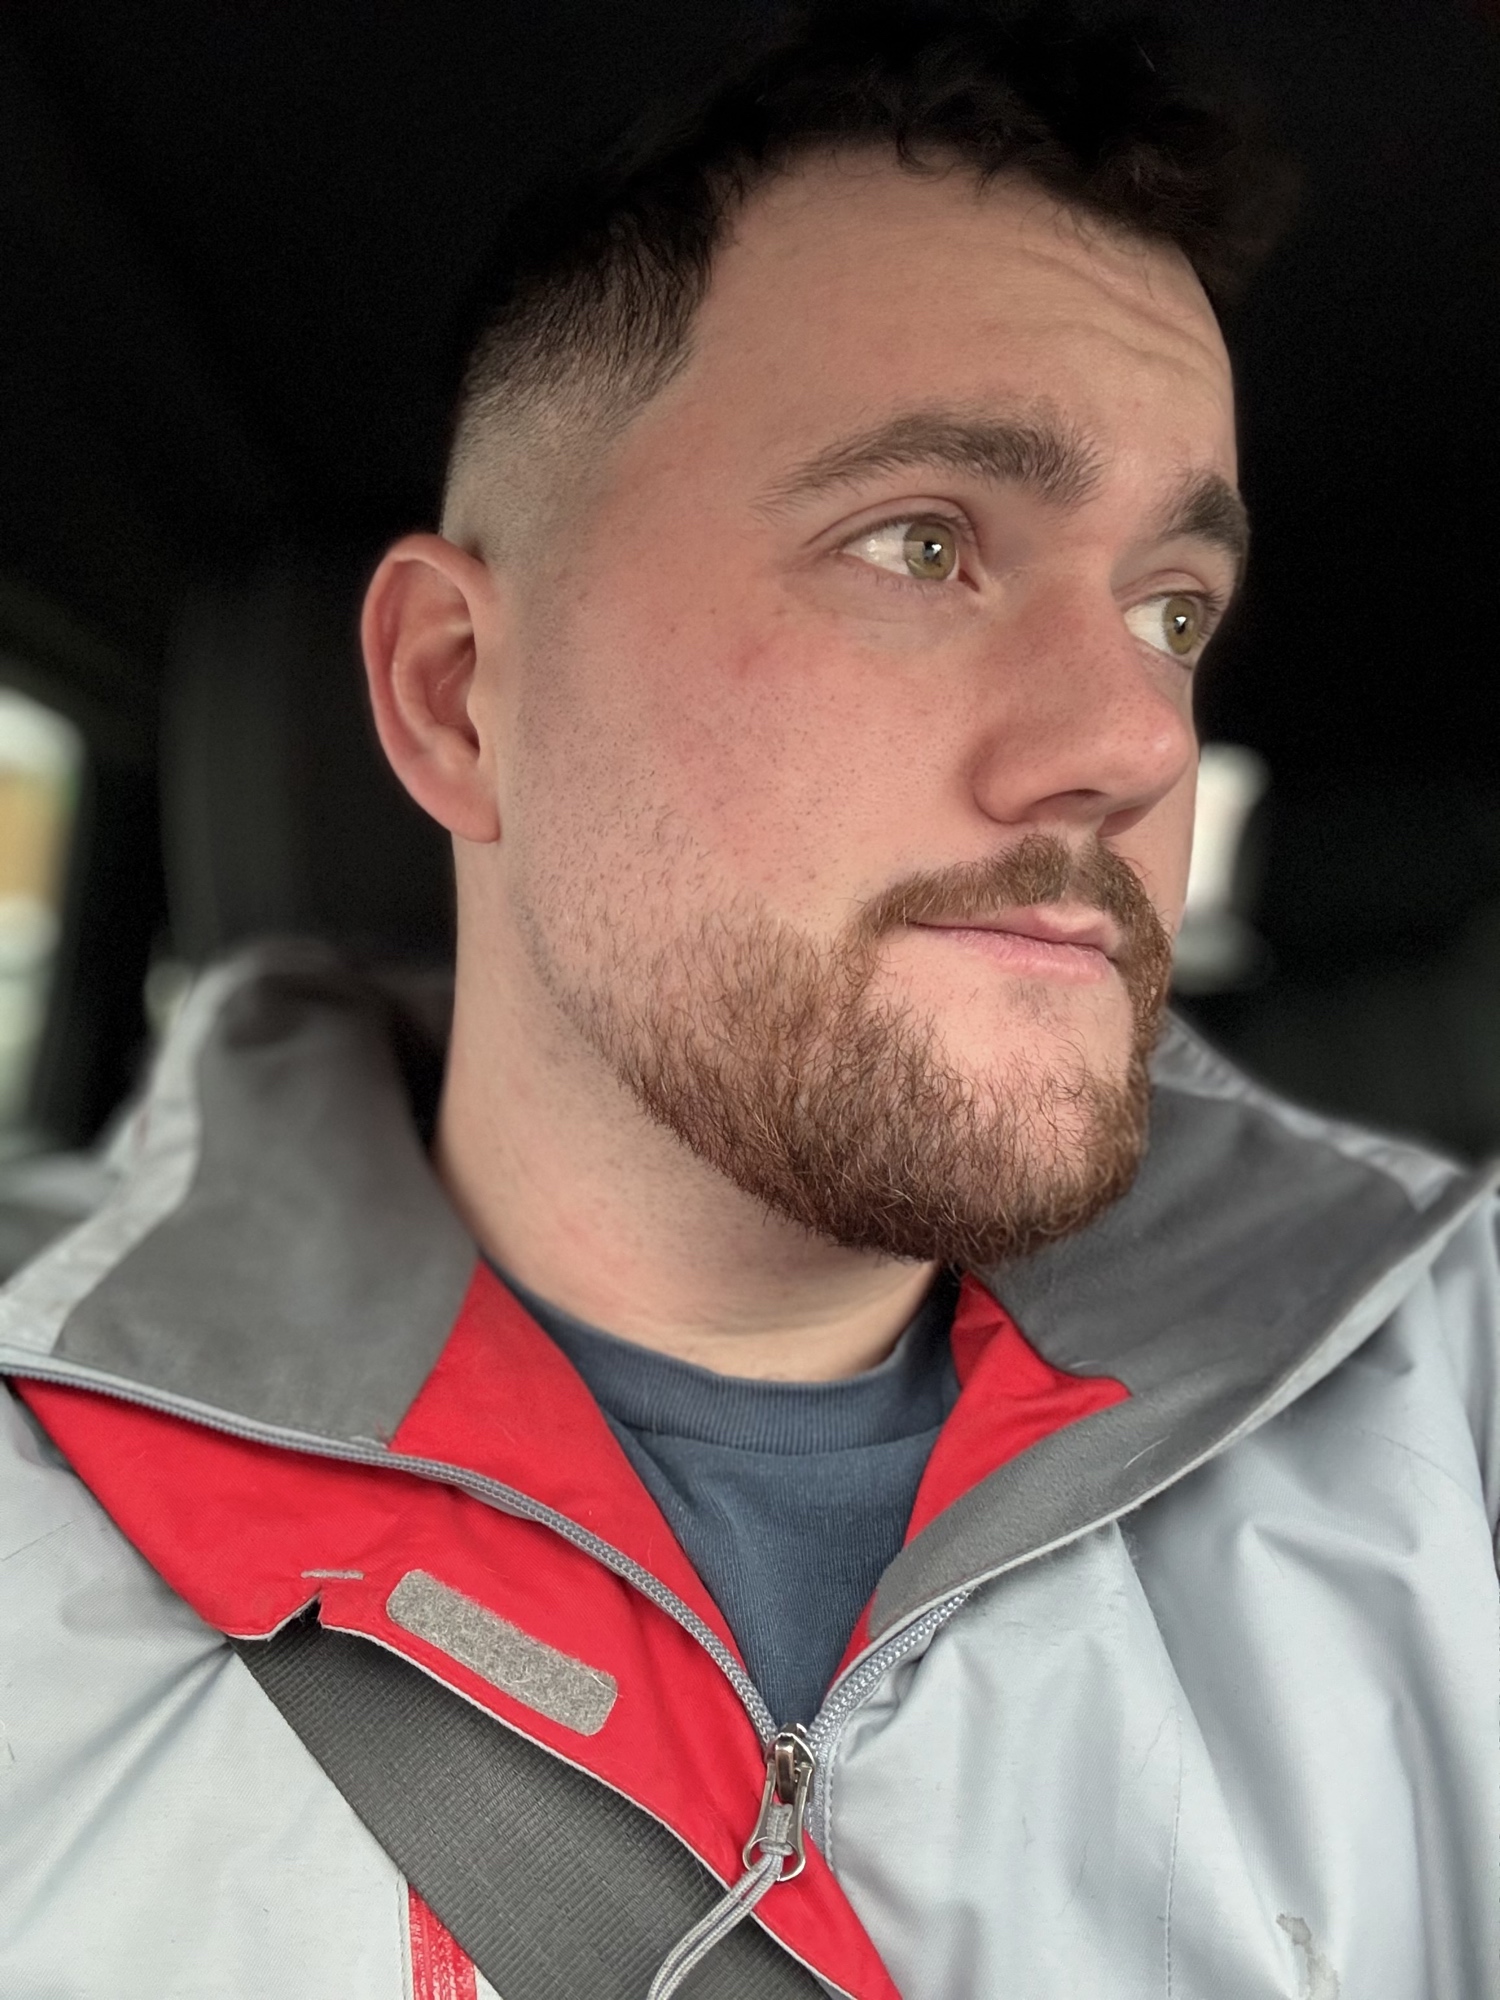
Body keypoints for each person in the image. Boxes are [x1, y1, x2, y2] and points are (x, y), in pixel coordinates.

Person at [1, 5, 1495, 1997]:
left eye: (1172, 609)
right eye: (923, 544)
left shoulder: (1444, 1404)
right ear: (461, 693)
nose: (1139, 742)